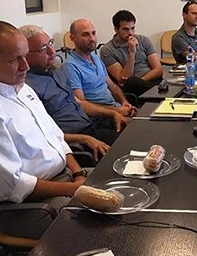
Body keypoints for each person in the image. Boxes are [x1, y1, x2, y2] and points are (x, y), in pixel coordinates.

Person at [0, 21, 88, 239]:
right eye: (15, 59)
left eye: (25, 56)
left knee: (123, 186)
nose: (26, 66)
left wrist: (78, 173)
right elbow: (14, 186)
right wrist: (76, 189)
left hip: (65, 181)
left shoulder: (21, 88)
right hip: (27, 208)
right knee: (104, 224)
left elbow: (56, 138)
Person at [20, 25, 127, 158]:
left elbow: (78, 102)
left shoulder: (55, 71)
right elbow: (43, 134)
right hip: (74, 144)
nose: (52, 51)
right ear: (26, 56)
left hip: (90, 128)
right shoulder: (27, 88)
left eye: (51, 43)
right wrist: (85, 139)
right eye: (43, 49)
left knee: (136, 136)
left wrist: (113, 113)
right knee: (129, 151)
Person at [61, 19, 137, 118]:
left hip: (115, 108)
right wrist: (117, 111)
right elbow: (82, 104)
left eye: (93, 33)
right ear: (73, 38)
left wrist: (125, 103)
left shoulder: (95, 58)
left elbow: (112, 86)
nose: (92, 38)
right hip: (101, 117)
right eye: (85, 35)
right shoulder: (70, 66)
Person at [100, 10, 163, 96]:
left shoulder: (143, 40)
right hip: (132, 89)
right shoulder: (107, 50)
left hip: (152, 81)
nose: (130, 33)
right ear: (116, 29)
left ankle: (159, 92)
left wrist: (140, 82)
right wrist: (131, 53)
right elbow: (123, 79)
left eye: (132, 28)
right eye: (125, 29)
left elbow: (158, 70)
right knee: (131, 82)